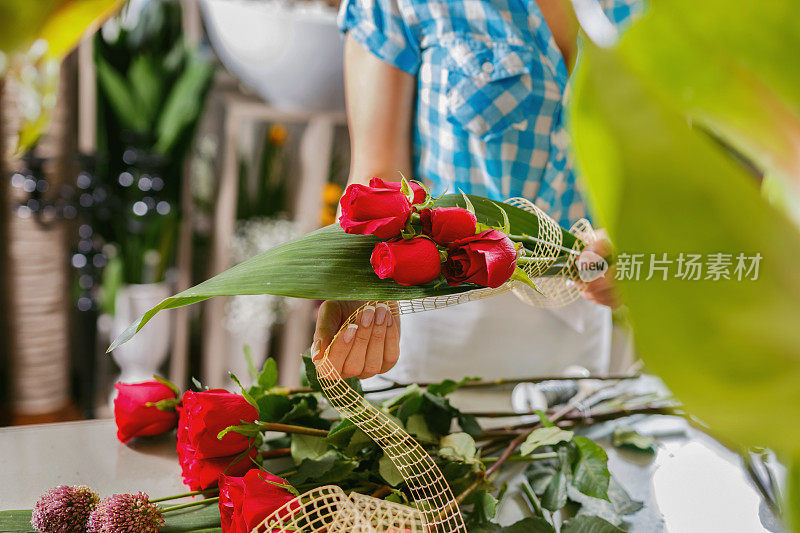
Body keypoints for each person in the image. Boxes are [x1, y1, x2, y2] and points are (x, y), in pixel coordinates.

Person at [312, 0, 643, 382]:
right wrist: (354, 287)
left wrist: (634, 248)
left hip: (591, 332)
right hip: (443, 332)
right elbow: (376, 178)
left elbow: (669, 179)